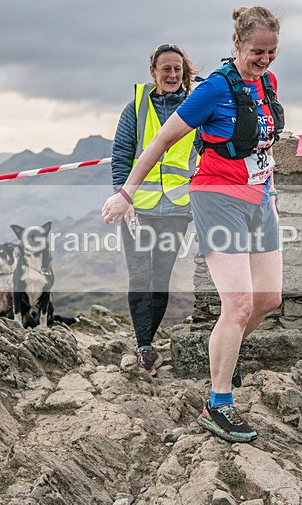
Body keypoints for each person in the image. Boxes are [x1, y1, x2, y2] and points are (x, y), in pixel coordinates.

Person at [103, 6, 284, 442]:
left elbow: (262, 143)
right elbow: (161, 141)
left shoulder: (268, 82)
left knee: (267, 300)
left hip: (260, 198)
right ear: (237, 44)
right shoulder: (212, 89)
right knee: (238, 305)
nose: (264, 60)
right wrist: (126, 193)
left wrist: (270, 189)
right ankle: (218, 404)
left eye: (272, 52)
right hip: (217, 198)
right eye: (257, 52)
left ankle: (224, 351)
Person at [110, 43, 197, 376]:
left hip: (177, 208)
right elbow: (121, 156)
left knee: (161, 279)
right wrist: (123, 198)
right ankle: (144, 345)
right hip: (139, 208)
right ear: (153, 72)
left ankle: (146, 341)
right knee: (139, 276)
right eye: (166, 69)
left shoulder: (195, 106)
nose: (172, 75)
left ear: (184, 72)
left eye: (177, 69)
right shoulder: (135, 108)